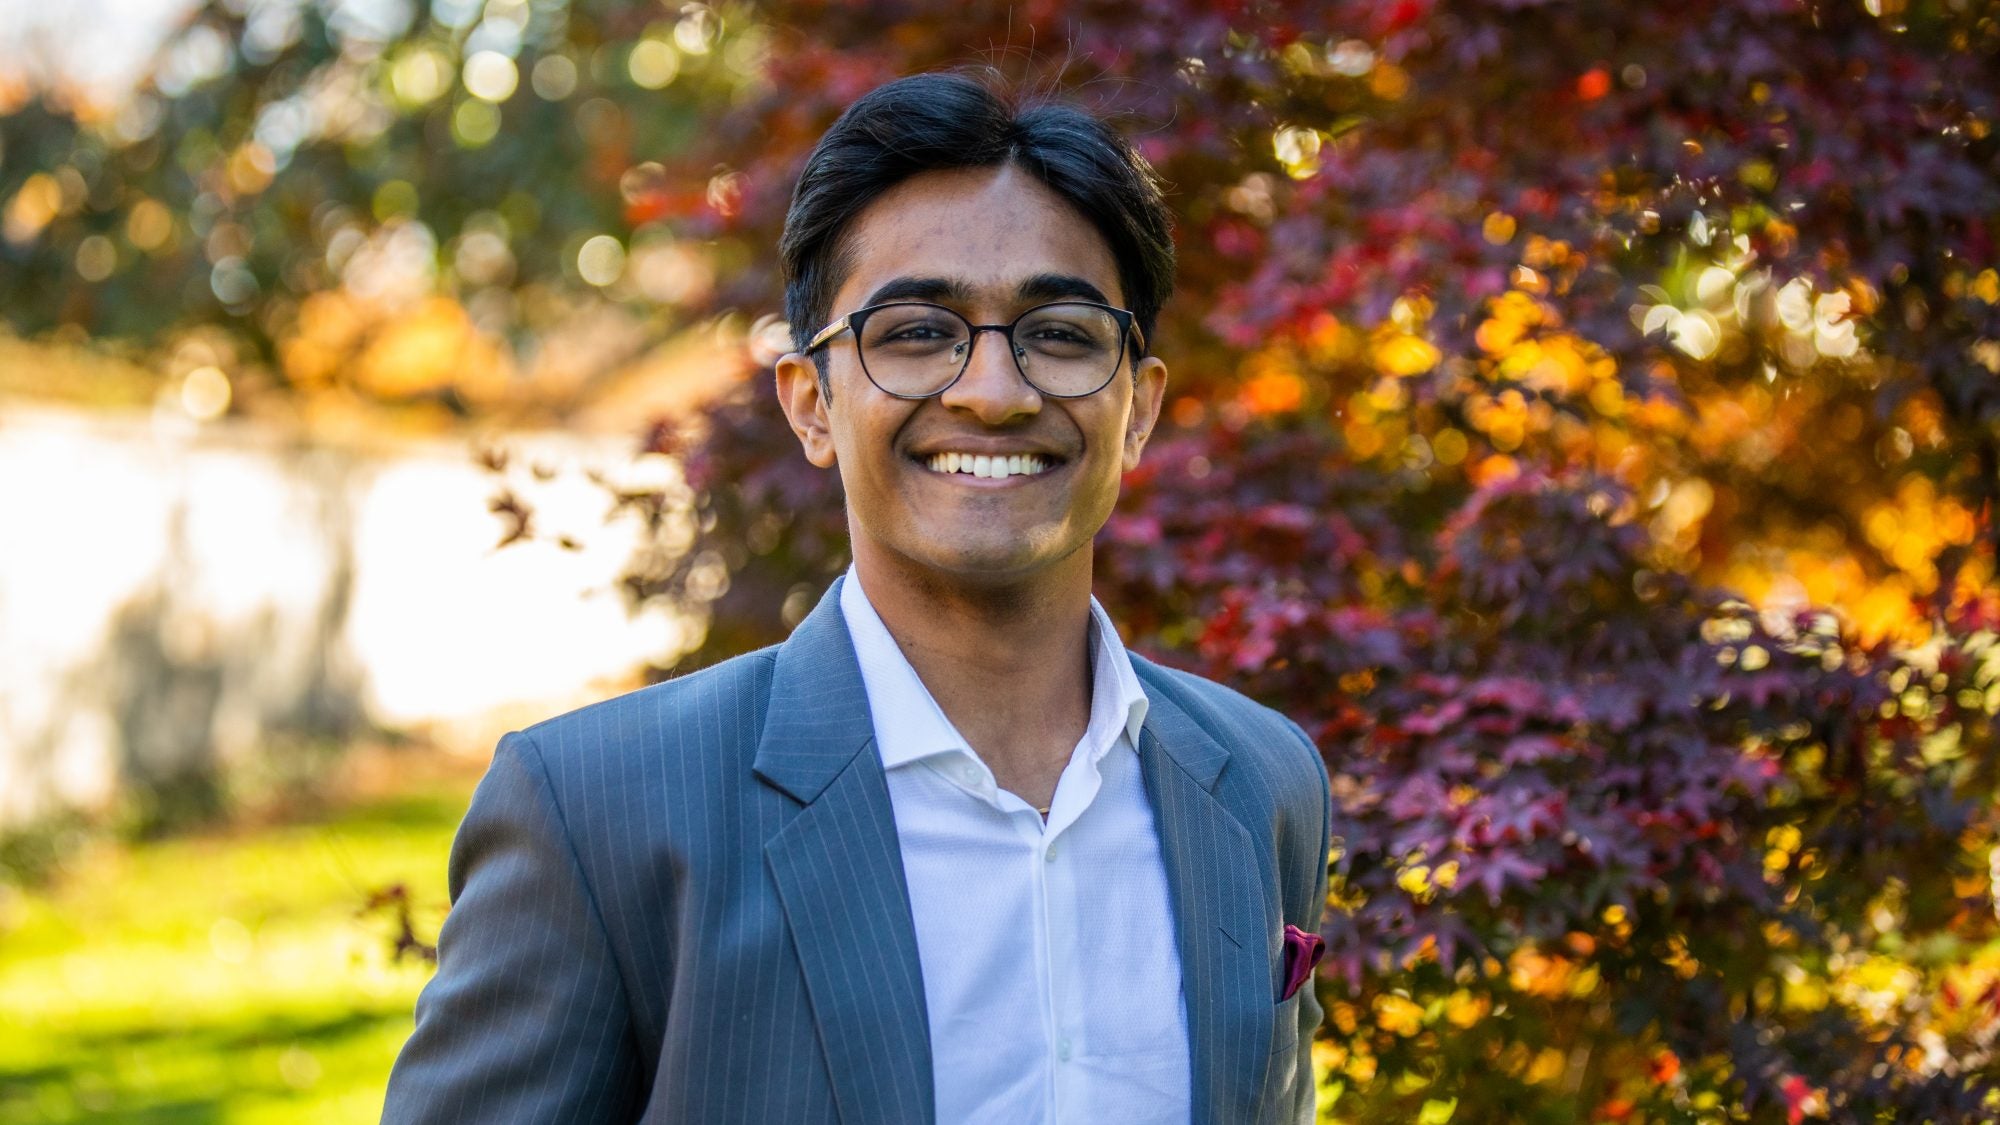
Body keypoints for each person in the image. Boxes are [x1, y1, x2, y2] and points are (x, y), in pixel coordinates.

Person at [382, 71, 1330, 1125]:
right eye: (917, 331)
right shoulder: (595, 815)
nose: (991, 392)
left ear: (1137, 408)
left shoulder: (1259, 782)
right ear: (811, 404)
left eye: (1058, 333)